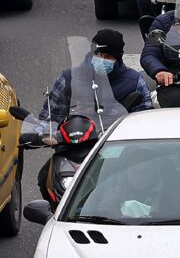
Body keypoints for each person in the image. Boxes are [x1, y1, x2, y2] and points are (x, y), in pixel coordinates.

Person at [35, 30, 152, 202]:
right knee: (46, 177)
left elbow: (145, 118)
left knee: (142, 182)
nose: (102, 59)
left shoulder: (134, 81)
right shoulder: (68, 78)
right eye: (98, 54)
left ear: (118, 58)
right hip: (75, 148)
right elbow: (50, 116)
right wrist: (45, 134)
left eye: (108, 57)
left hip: (118, 150)